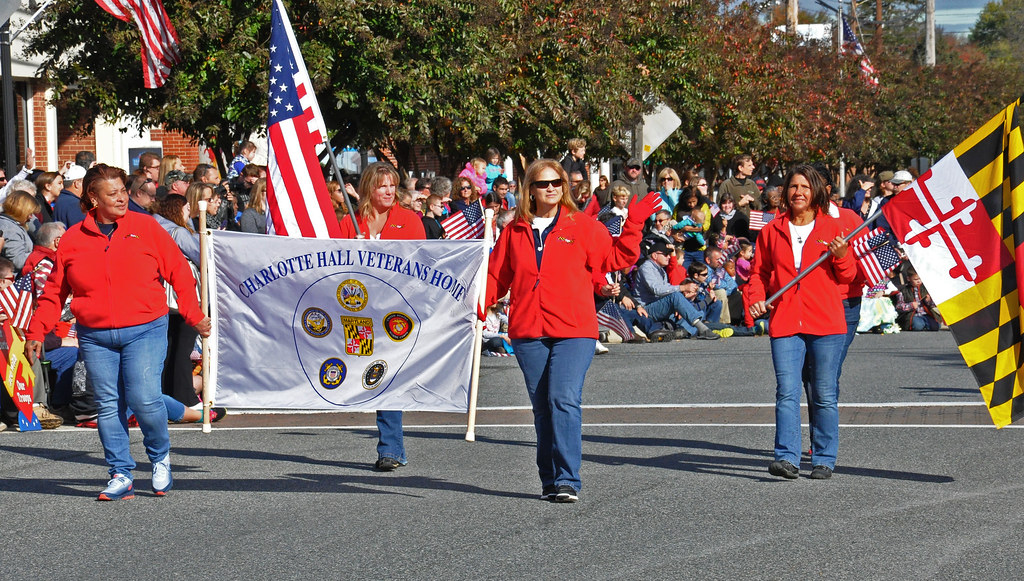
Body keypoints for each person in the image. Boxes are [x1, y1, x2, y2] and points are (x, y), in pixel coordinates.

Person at [25, 164, 211, 500]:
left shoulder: (147, 227)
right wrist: (37, 330)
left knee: (143, 398)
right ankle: (120, 473)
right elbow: (54, 293)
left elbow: (180, 272)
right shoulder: (71, 240)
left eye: (124, 190)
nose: (122, 197)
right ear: (93, 198)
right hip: (95, 336)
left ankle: (159, 457)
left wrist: (192, 313)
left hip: (145, 328)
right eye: (113, 194)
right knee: (108, 405)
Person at [486, 159, 657, 502]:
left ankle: (567, 478)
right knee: (542, 406)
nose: (550, 188)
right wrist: (474, 307)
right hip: (528, 330)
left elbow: (616, 257)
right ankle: (549, 479)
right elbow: (494, 277)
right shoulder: (514, 230)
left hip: (574, 327)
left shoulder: (581, 225)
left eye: (556, 182)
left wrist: (634, 224)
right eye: (542, 183)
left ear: (563, 186)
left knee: (562, 397)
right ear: (529, 190)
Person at [748, 165, 856, 481]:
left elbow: (847, 277)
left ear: (816, 192)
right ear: (785, 193)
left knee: (823, 393)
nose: (798, 192)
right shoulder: (771, 229)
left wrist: (842, 255)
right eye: (793, 186)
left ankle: (823, 458)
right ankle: (787, 458)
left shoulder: (832, 228)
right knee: (787, 391)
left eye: (805, 187)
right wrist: (755, 297)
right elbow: (759, 273)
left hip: (826, 322)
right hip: (784, 321)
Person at [339, 162, 426, 472]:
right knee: (367, 376)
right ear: (368, 190)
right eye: (382, 186)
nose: (389, 191)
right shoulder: (352, 221)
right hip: (358, 313)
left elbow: (419, 264)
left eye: (393, 185)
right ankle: (395, 448)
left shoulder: (410, 220)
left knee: (385, 374)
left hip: (395, 313)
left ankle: (389, 448)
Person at [0, 191, 41, 271]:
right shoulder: (10, 229)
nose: (31, 217)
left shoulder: (9, 225)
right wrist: (40, 255)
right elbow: (18, 261)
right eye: (29, 213)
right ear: (20, 210)